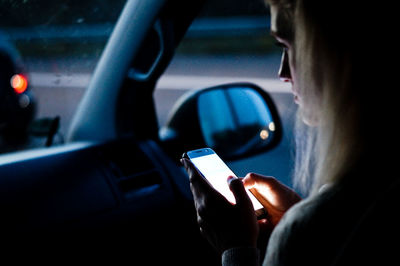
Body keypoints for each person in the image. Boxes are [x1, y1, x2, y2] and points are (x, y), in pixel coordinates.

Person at [182, 0, 400, 265]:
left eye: (287, 46)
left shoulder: (306, 233)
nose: (282, 72)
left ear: (338, 55)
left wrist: (235, 248)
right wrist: (298, 211)